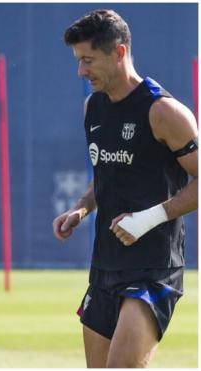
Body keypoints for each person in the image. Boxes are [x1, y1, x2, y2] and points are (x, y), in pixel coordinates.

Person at [53, 9, 198, 368]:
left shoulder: (164, 112)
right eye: (78, 60)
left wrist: (147, 219)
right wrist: (82, 208)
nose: (80, 71)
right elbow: (105, 175)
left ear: (118, 53)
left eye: (88, 60)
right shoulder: (93, 107)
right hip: (104, 265)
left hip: (153, 268)